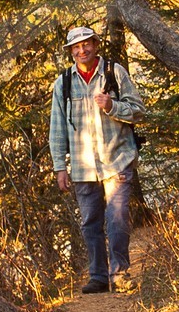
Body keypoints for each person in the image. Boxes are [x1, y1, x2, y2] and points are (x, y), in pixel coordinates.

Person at [49, 25, 144, 294]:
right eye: (76, 47)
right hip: (81, 166)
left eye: (87, 44)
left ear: (96, 44)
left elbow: (138, 111)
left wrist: (112, 106)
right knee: (90, 222)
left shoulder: (115, 72)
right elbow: (57, 128)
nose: (82, 50)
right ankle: (98, 276)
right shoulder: (63, 82)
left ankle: (120, 274)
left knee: (117, 218)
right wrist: (60, 167)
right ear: (70, 52)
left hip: (117, 158)